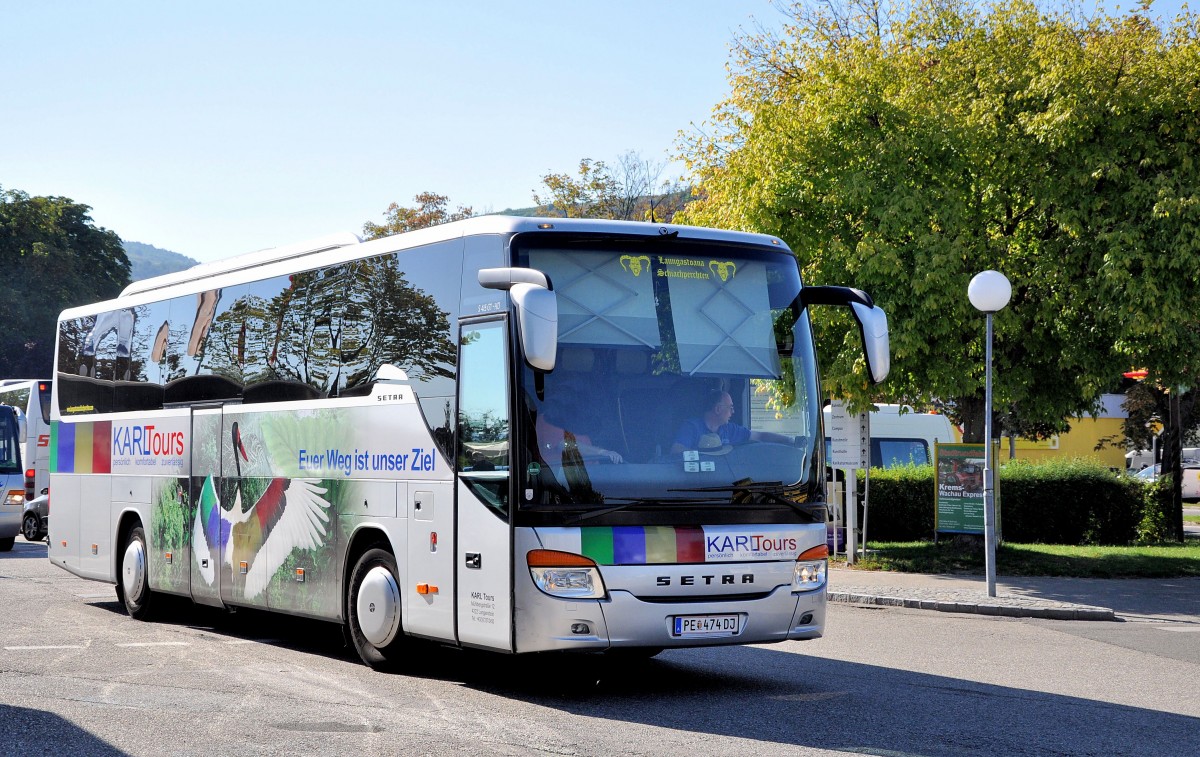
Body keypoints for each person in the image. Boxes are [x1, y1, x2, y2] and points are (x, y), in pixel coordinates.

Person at [670, 390, 792, 455]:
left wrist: (789, 440)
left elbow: (760, 436)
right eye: (730, 408)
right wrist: (705, 455)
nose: (733, 412)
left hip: (725, 483)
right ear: (718, 409)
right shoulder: (691, 427)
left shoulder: (729, 429)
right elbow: (676, 450)